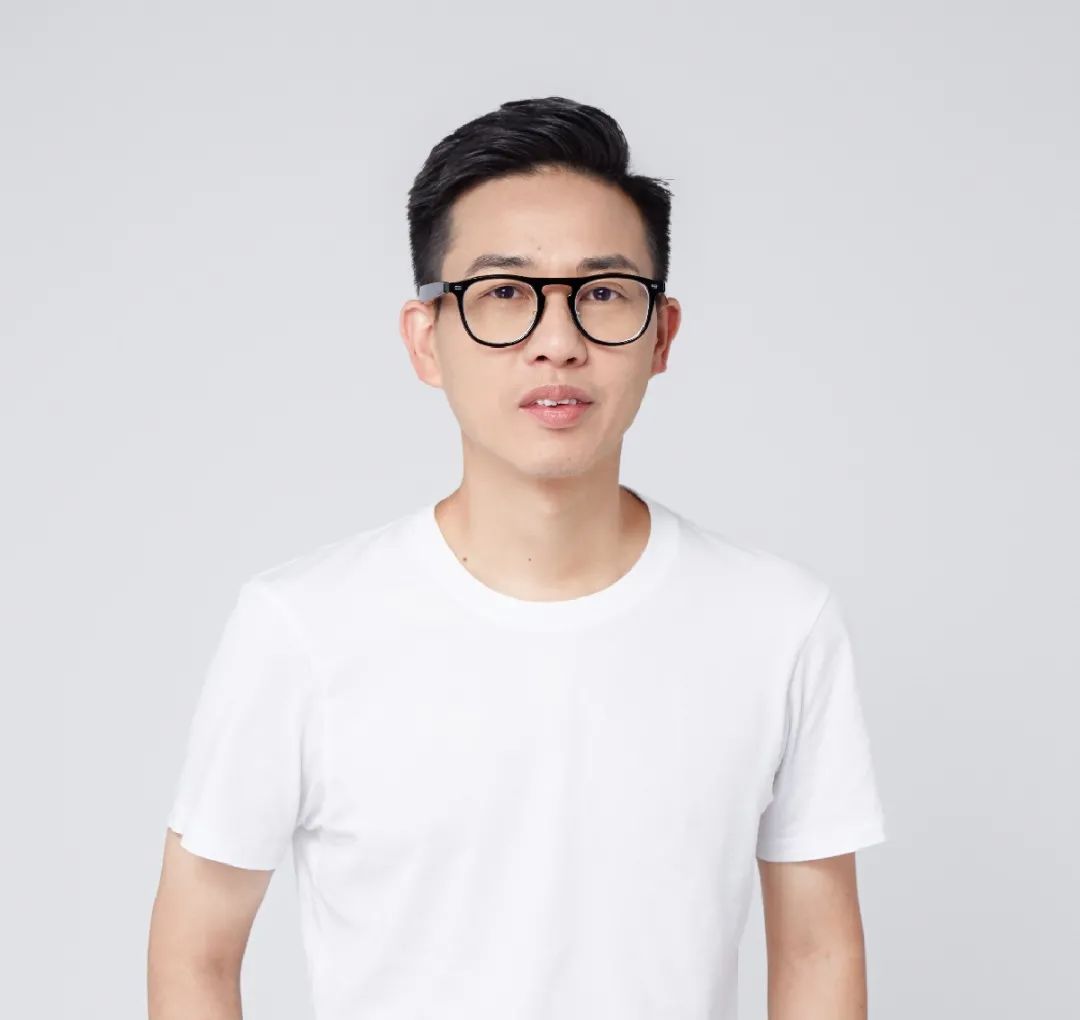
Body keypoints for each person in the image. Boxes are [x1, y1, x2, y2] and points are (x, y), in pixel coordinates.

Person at [148, 95, 887, 1020]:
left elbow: (818, 950)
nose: (558, 342)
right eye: (504, 292)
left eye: (603, 294)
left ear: (661, 335)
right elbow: (195, 951)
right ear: (427, 340)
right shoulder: (301, 626)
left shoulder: (778, 622)